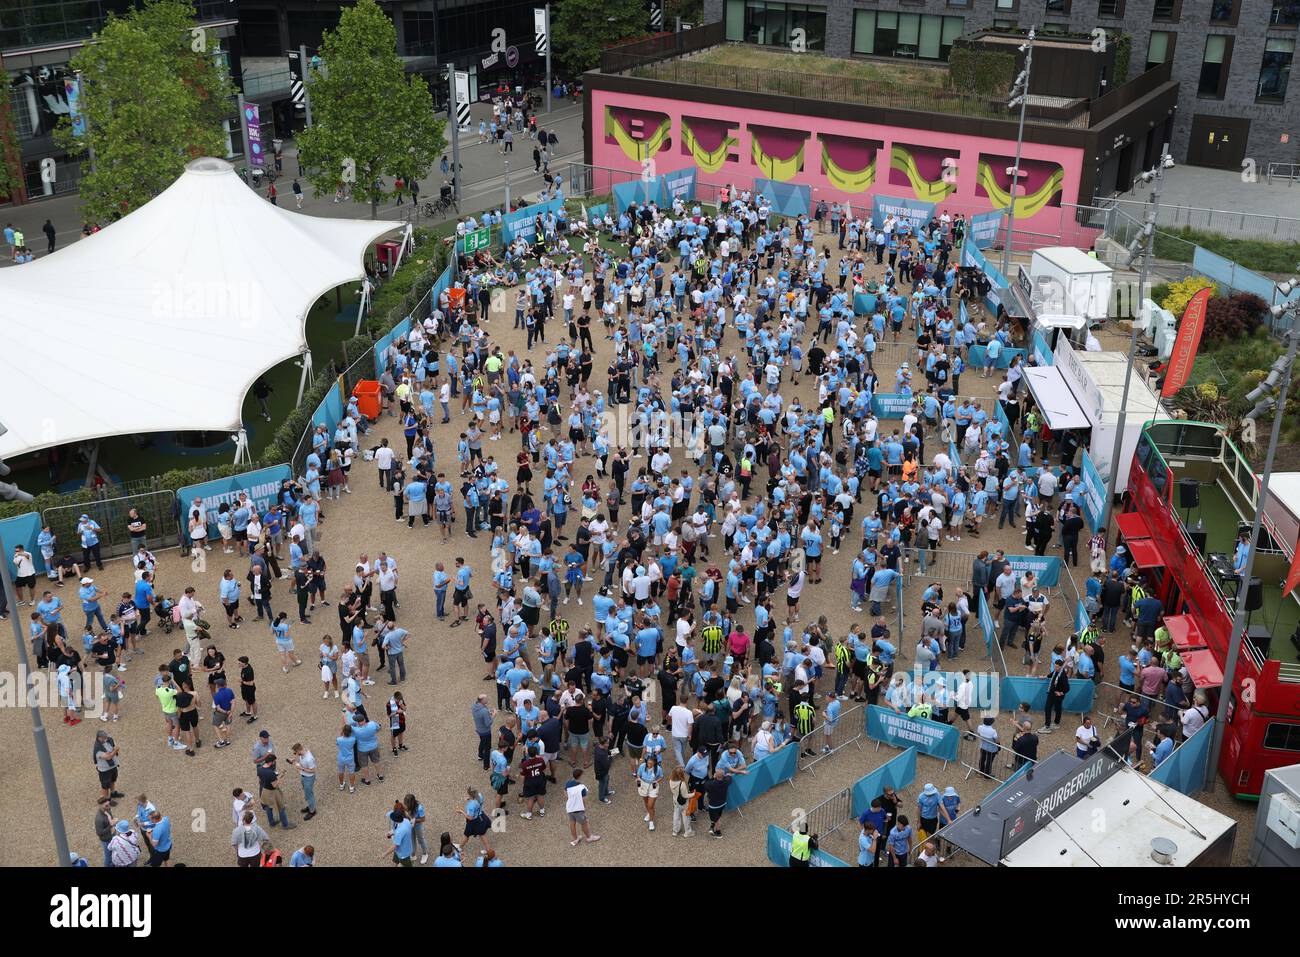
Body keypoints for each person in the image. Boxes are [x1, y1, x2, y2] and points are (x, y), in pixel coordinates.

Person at [564, 768, 601, 846]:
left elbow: (565, 792)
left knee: (572, 823)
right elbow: (583, 800)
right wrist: (584, 808)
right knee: (584, 823)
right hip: (578, 809)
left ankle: (575, 838)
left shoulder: (568, 783)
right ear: (580, 776)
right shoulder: (582, 788)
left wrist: (571, 799)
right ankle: (589, 837)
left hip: (569, 808)